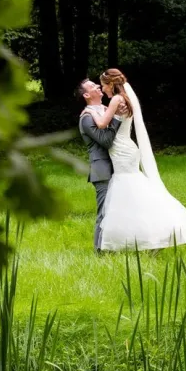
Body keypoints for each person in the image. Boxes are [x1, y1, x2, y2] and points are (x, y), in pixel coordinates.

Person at [81, 68, 186, 251]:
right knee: (133, 192)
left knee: (131, 192)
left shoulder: (116, 100)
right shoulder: (123, 99)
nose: (102, 89)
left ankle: (143, 238)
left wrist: (90, 111)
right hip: (126, 149)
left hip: (122, 152)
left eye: (102, 85)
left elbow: (103, 125)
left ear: (111, 84)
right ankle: (148, 237)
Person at [77, 79, 122, 251]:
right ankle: (99, 250)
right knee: (104, 211)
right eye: (93, 86)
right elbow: (105, 140)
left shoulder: (104, 110)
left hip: (118, 166)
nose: (98, 86)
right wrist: (116, 119)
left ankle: (115, 245)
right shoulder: (86, 118)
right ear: (87, 95)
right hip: (102, 169)